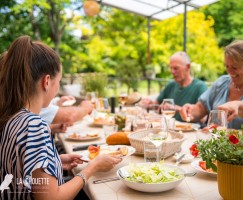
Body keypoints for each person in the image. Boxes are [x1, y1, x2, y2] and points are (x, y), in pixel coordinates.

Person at [0, 36, 122, 199]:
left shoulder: (13, 117)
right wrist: (92, 168)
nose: (58, 88)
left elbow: (23, 167)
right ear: (47, 81)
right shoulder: (34, 125)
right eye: (59, 81)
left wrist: (56, 160)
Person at [180, 36, 243, 134]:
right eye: (227, 66)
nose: (229, 71)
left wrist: (225, 133)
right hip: (214, 144)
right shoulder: (222, 82)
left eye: (234, 67)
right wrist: (190, 111)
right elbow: (201, 108)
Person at [142, 51, 208, 121]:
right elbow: (157, 104)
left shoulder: (200, 87)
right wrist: (150, 103)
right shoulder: (171, 84)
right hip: (169, 128)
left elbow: (203, 118)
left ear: (188, 67)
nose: (172, 72)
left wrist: (175, 108)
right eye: (171, 68)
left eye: (176, 68)